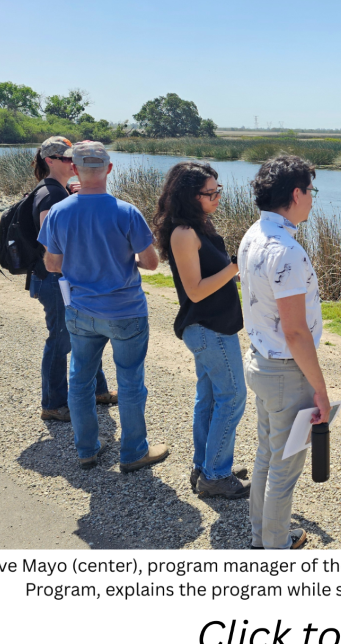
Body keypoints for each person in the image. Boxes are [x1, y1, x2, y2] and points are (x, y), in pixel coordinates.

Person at [38, 141, 168, 472]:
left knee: (79, 381)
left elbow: (52, 265)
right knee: (130, 382)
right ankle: (133, 451)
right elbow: (151, 263)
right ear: (109, 169)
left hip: (81, 311)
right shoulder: (126, 212)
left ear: (75, 169)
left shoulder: (58, 212)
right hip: (126, 311)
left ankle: (86, 450)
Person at [238, 155, 328, 550]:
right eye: (311, 191)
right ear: (296, 193)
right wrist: (320, 389)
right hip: (286, 372)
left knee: (266, 455)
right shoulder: (286, 250)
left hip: (259, 360)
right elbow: (295, 332)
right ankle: (274, 549)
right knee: (285, 468)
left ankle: (262, 536)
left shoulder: (253, 233)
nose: (312, 199)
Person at [150, 161, 250, 499]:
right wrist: (235, 267)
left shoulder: (200, 226)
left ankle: (207, 465)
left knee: (209, 399)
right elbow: (195, 290)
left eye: (218, 190)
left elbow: (214, 276)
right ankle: (216, 474)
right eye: (211, 193)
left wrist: (237, 271)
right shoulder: (183, 233)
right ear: (190, 196)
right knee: (233, 396)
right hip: (208, 328)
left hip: (215, 326)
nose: (218, 197)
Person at [29, 136, 116, 423]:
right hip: (54, 279)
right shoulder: (50, 195)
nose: (72, 162)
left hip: (61, 279)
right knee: (61, 339)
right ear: (50, 161)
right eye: (66, 158)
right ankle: (53, 403)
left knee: (87, 332)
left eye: (73, 158)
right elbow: (51, 246)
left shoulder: (60, 190)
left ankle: (98, 390)